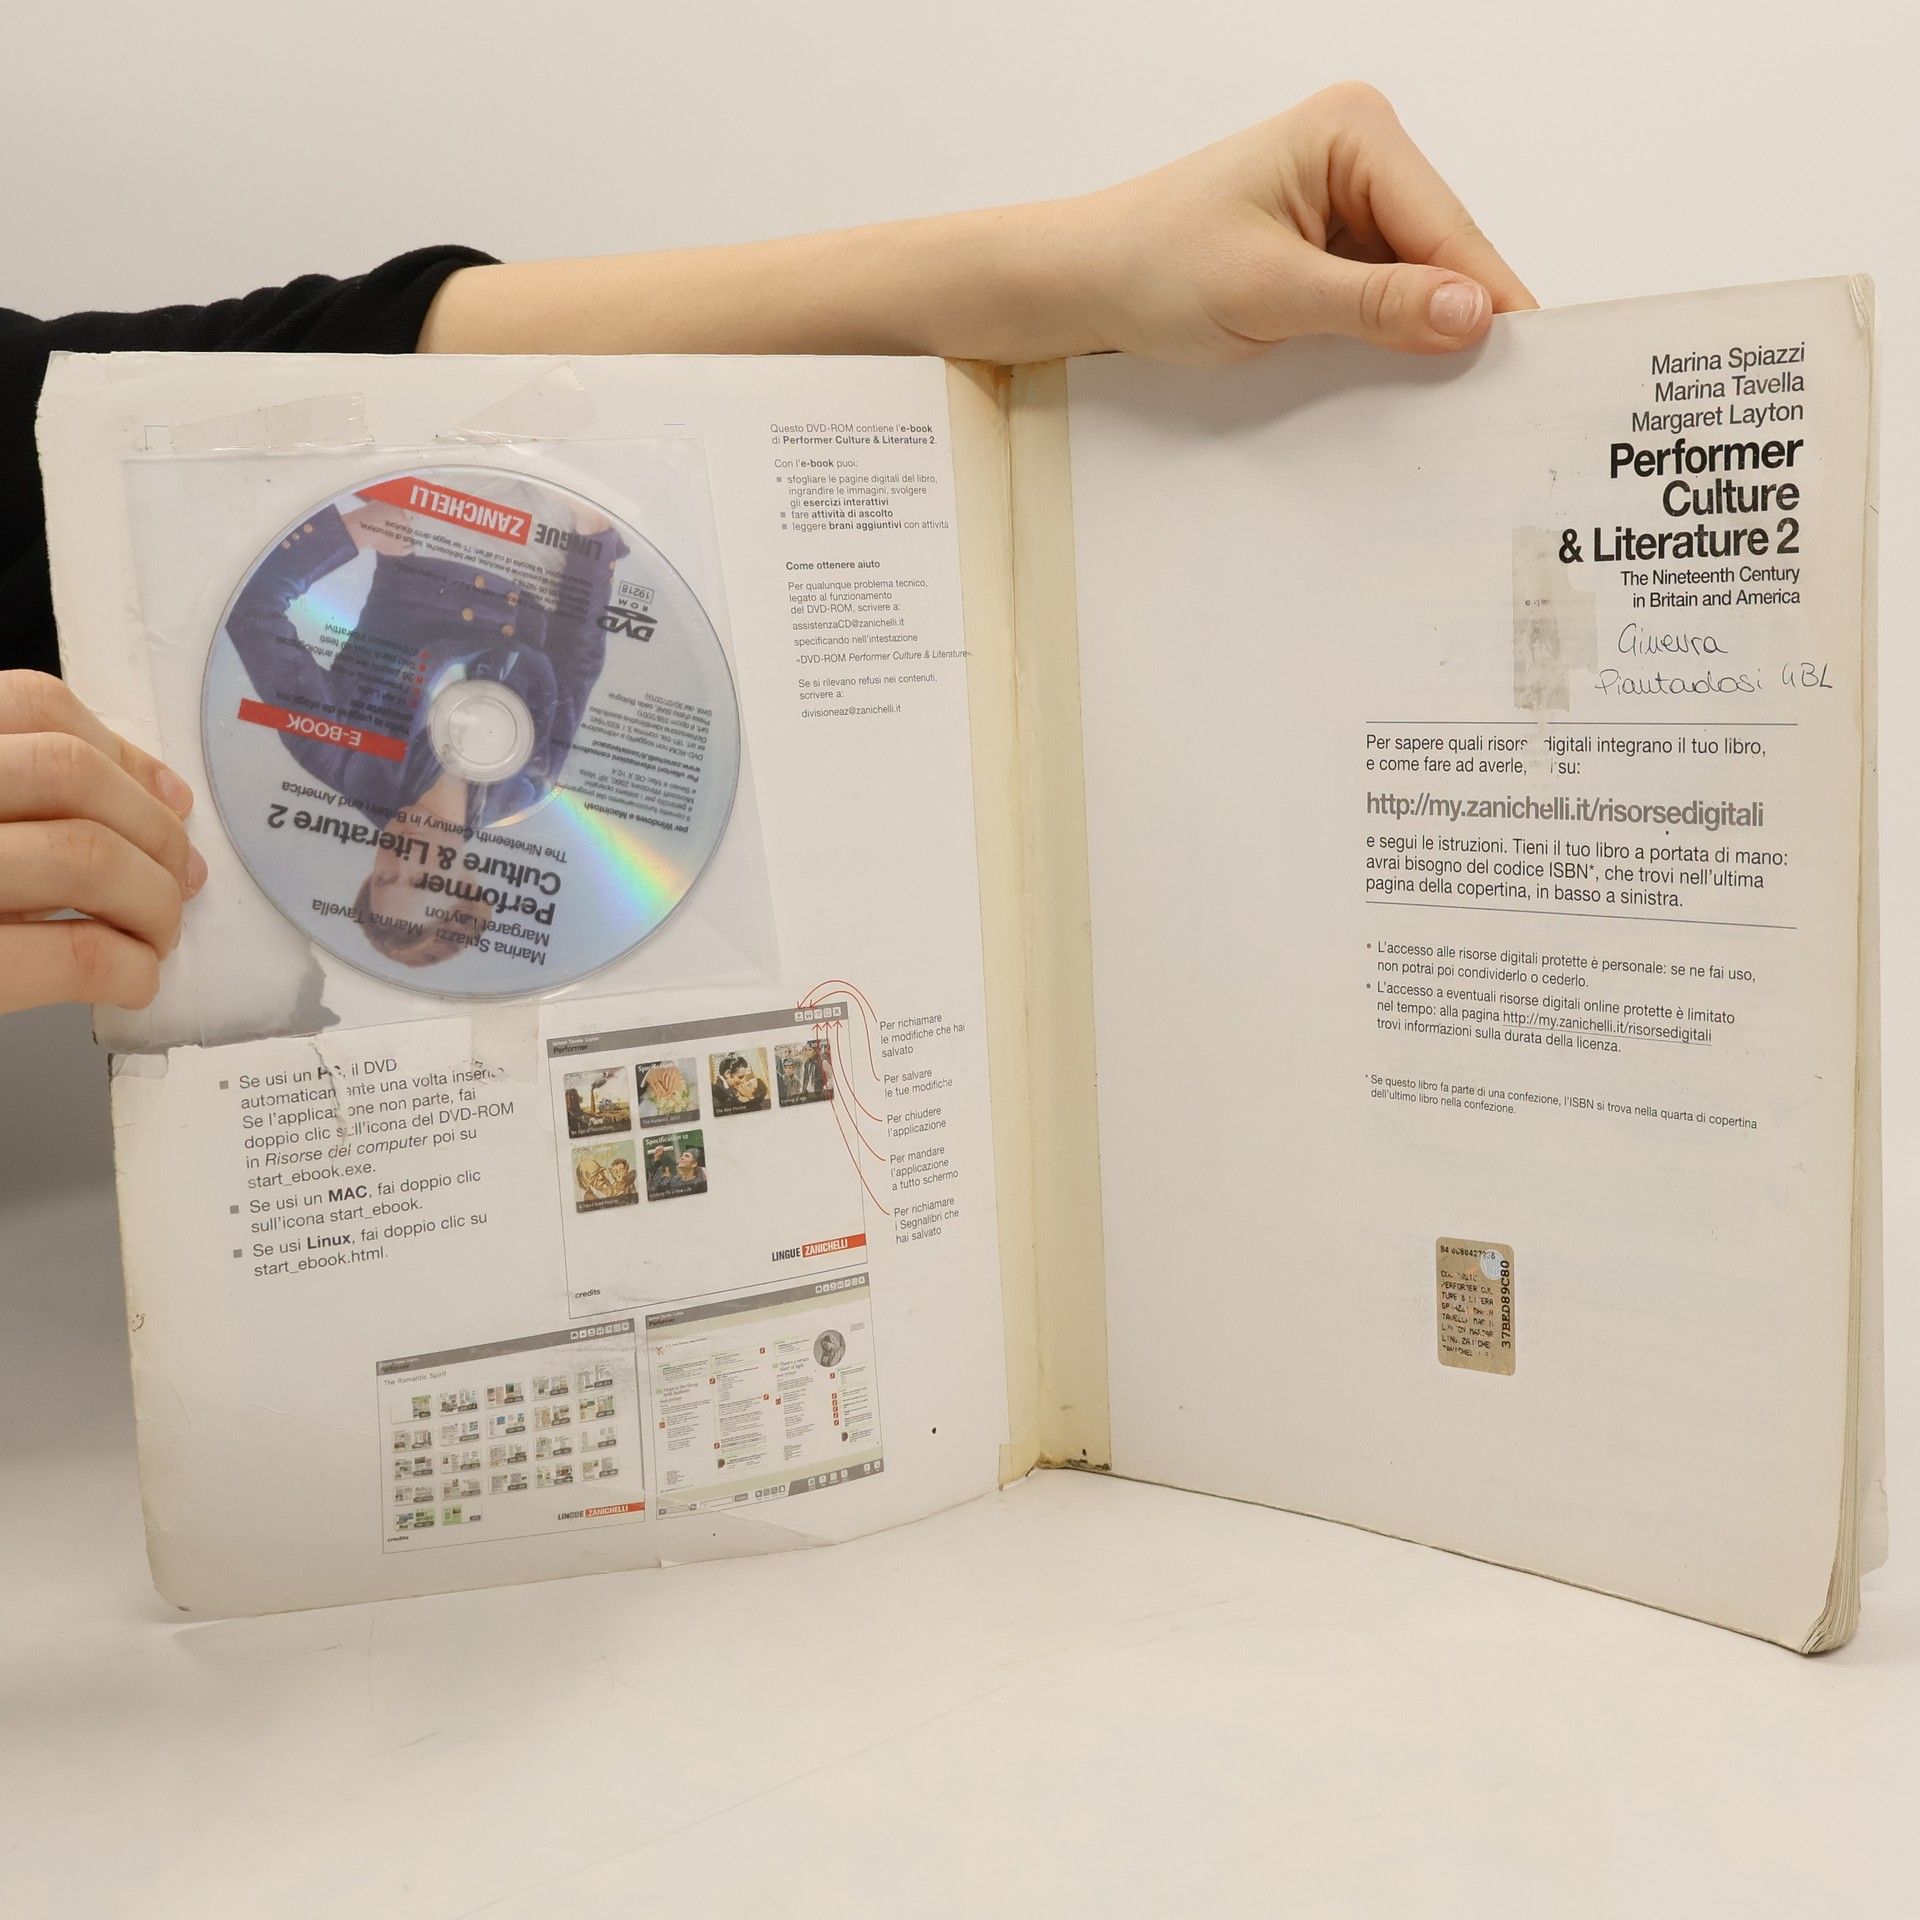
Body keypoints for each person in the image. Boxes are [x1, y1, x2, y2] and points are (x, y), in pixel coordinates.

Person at [0, 85, 1531, 1017]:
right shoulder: (529, 780)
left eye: (407, 872)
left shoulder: (349, 761)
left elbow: (253, 393)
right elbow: (561, 654)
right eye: (439, 882)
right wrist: (584, 575)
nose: (420, 855)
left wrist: (1077, 264)